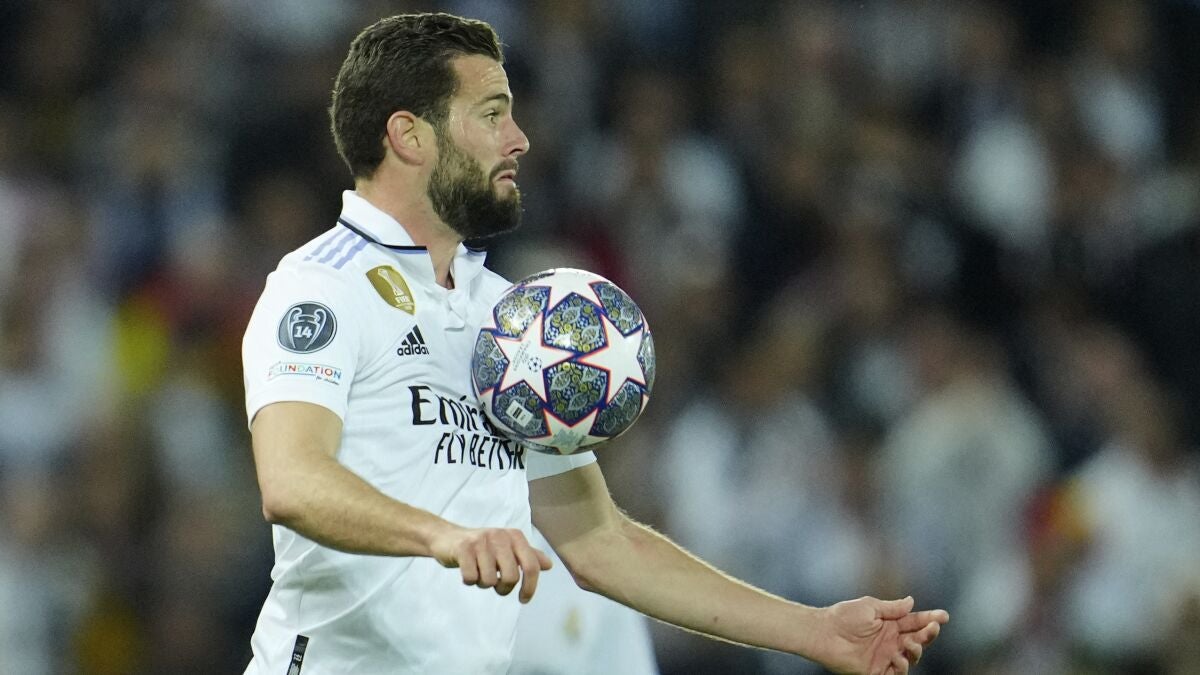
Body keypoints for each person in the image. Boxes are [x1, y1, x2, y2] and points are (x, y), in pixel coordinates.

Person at [241, 12, 948, 675]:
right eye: (491, 114)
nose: (518, 138)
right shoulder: (322, 287)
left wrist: (814, 631)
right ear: (409, 135)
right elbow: (293, 481)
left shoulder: (513, 321)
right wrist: (443, 535)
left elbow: (600, 541)